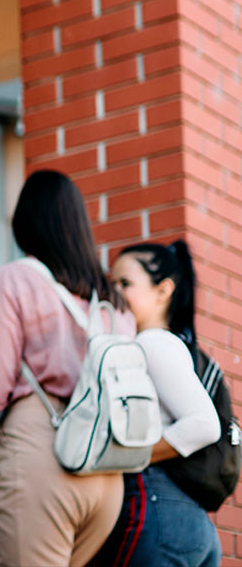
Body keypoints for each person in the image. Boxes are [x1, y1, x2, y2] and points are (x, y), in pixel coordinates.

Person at [0, 170, 137, 566]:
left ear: (24, 224)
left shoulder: (11, 280)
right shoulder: (112, 301)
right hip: (108, 474)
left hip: (43, 452)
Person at [92, 240, 221, 566]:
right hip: (191, 522)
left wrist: (131, 455)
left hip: (157, 514)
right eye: (112, 283)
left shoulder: (149, 343)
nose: (114, 291)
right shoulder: (168, 345)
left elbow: (204, 424)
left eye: (125, 283)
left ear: (163, 290)